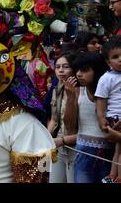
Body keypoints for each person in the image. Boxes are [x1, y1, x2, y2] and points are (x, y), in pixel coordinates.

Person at [63, 52, 112, 183]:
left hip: (108, 153)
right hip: (84, 152)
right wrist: (70, 98)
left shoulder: (111, 91)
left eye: (84, 70)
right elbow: (69, 126)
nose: (78, 74)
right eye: (77, 70)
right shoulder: (79, 91)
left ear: (97, 70)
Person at [47, 53, 77, 183]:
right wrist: (46, 139)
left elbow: (73, 126)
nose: (61, 70)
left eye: (65, 67)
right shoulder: (56, 89)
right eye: (58, 67)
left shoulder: (81, 91)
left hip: (75, 148)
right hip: (57, 146)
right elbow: (53, 119)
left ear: (73, 69)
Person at [95, 36, 121, 183]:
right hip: (115, 118)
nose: (120, 59)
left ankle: (113, 175)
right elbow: (101, 100)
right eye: (115, 57)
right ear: (108, 62)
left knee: (118, 149)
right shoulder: (107, 78)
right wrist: (101, 119)